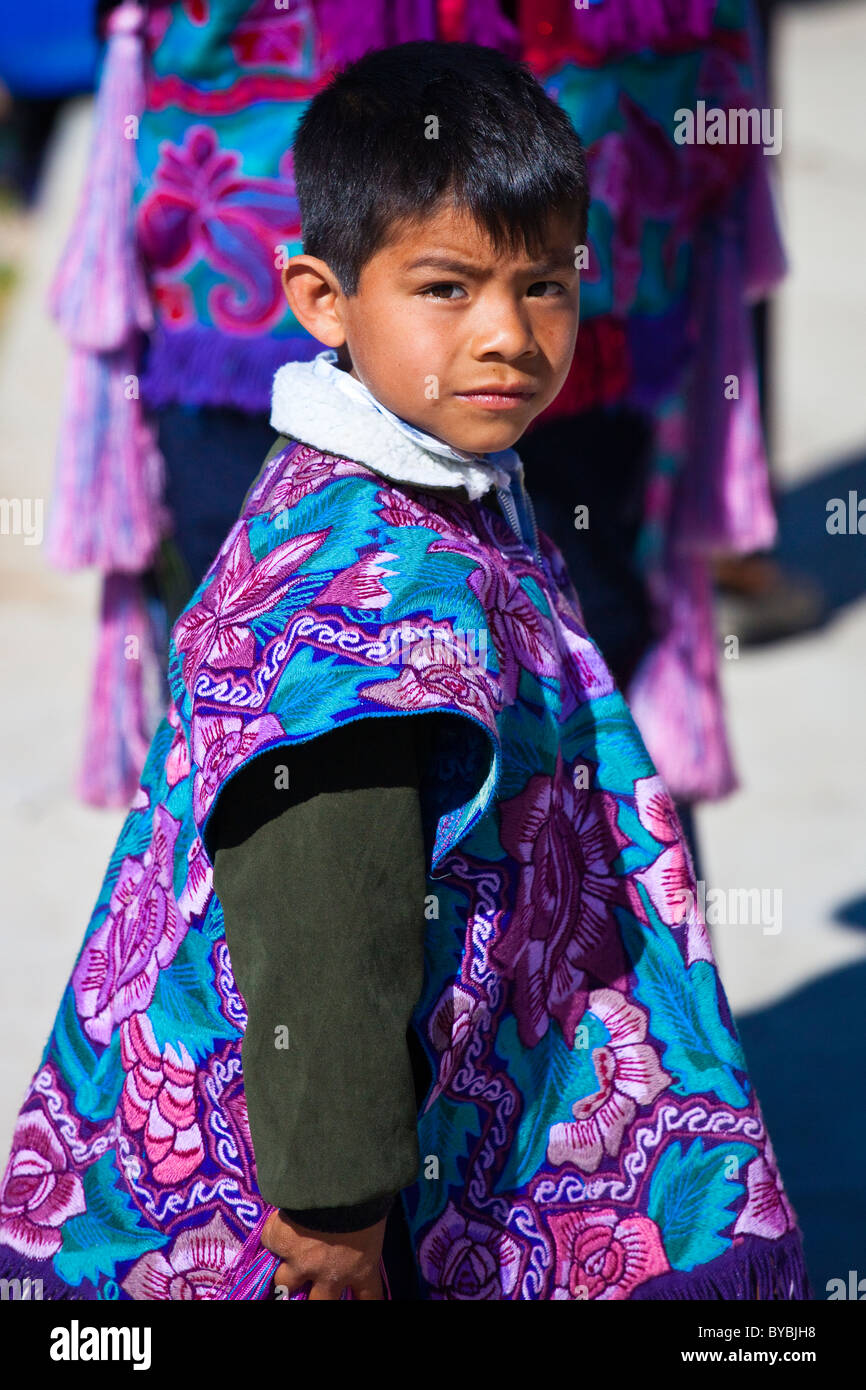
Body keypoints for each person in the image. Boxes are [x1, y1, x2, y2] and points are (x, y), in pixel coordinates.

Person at [0, 41, 811, 1301]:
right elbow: (325, 922)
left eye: (543, 285)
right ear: (322, 297)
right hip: (330, 1177)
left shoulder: (434, 478)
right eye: (446, 287)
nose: (506, 336)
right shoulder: (364, 595)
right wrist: (333, 1209)